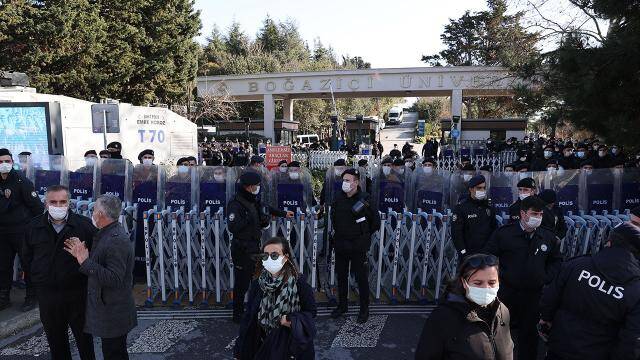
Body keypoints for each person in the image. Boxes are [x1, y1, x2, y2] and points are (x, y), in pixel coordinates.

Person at [539, 222, 640, 360]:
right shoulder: (636, 288)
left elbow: (549, 299)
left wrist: (546, 320)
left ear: (609, 242)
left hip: (561, 347)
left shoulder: (577, 265)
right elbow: (631, 339)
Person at [483, 195, 562, 360]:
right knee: (500, 330)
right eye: (534, 214)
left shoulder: (547, 236)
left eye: (540, 214)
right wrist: (497, 277)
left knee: (529, 335)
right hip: (507, 292)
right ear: (523, 213)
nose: (537, 218)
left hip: (534, 294)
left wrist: (545, 278)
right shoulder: (505, 234)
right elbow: (489, 256)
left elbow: (556, 261)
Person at [23, 185, 96, 360]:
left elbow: (95, 256)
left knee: (85, 340)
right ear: (45, 203)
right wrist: (37, 281)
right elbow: (26, 258)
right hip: (48, 294)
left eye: (62, 202)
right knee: (56, 341)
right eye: (53, 202)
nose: (58, 205)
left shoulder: (84, 225)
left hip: (77, 292)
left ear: (69, 203)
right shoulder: (33, 226)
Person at [64, 195, 137, 360]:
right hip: (110, 311)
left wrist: (85, 261)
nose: (92, 212)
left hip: (114, 313)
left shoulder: (115, 240)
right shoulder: (106, 233)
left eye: (94, 209)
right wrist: (81, 250)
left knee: (114, 354)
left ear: (101, 215)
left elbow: (114, 278)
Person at [415, 254, 513, 360]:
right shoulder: (443, 317)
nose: (486, 288)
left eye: (492, 282)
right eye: (478, 283)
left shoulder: (502, 311)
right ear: (464, 283)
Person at [234, 237, 317, 360]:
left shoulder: (299, 283)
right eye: (265, 256)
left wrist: (291, 321)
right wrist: (240, 350)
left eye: (274, 255)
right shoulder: (258, 283)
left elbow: (311, 311)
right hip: (262, 344)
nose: (269, 259)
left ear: (285, 257)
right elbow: (249, 317)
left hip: (290, 346)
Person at [227, 172, 294, 323]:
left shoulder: (252, 199)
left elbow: (266, 208)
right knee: (242, 282)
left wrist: (283, 213)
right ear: (249, 187)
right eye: (256, 186)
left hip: (254, 246)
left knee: (256, 279)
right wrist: (251, 219)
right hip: (242, 249)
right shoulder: (235, 203)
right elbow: (233, 227)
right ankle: (237, 314)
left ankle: (254, 309)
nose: (258, 188)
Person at [330, 168, 380, 323]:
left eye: (348, 180)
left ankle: (364, 310)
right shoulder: (338, 198)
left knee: (361, 278)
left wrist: (362, 237)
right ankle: (342, 305)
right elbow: (334, 219)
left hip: (358, 246)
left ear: (356, 182)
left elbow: (375, 223)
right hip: (341, 244)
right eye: (343, 180)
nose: (344, 183)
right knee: (342, 276)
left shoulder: (365, 199)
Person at [0, 148, 44, 312]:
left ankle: (31, 296)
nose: (4, 164)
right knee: (3, 266)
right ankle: (4, 297)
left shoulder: (21, 182)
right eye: (1, 161)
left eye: (7, 161)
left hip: (21, 231)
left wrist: (34, 229)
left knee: (27, 264)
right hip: (2, 232)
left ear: (12, 162)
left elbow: (37, 208)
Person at [451, 175, 497, 258]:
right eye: (479, 188)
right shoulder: (461, 208)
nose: (482, 190)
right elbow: (457, 234)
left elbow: (494, 230)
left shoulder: (489, 208)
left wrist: (491, 250)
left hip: (487, 254)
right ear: (471, 189)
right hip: (469, 255)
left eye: (484, 188)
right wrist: (463, 253)